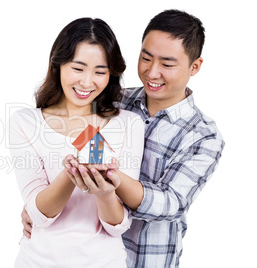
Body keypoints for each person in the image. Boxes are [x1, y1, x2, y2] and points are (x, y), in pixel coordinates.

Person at [22, 10, 225, 268]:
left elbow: (170, 204)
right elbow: (51, 145)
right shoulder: (112, 102)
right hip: (88, 257)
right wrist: (37, 204)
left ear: (194, 66)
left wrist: (110, 179)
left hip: (148, 258)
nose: (152, 72)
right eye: (146, 58)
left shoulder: (204, 136)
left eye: (167, 64)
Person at [9, 18, 144, 267]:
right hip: (37, 261)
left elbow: (118, 226)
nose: (86, 82)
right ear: (58, 64)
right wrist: (69, 174)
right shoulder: (25, 122)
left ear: (111, 74)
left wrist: (105, 193)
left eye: (100, 72)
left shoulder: (129, 123)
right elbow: (38, 215)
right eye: (78, 68)